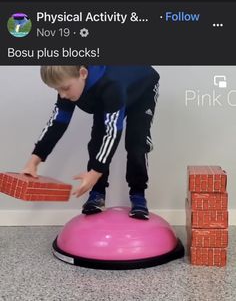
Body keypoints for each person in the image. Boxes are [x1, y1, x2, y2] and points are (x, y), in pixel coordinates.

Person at [22, 66, 160, 220]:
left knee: (136, 144)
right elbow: (57, 123)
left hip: (142, 90)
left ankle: (138, 195)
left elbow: (113, 132)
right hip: (108, 95)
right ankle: (97, 194)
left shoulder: (111, 85)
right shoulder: (67, 87)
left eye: (66, 88)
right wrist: (34, 160)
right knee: (97, 141)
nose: (62, 95)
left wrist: (95, 172)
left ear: (83, 73)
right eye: (57, 90)